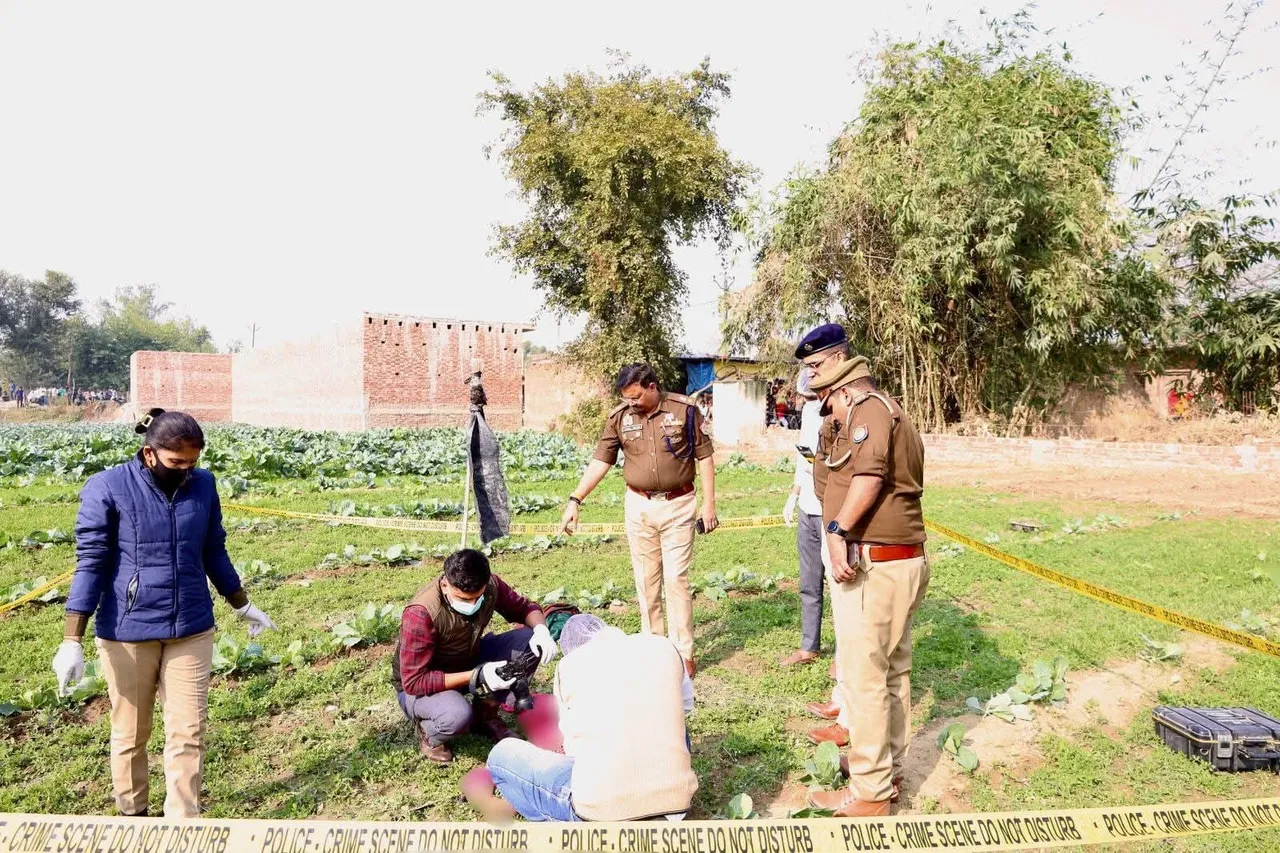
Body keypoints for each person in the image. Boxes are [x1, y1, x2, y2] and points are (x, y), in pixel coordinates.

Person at [51, 408, 277, 818]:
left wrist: (242, 603)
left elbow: (213, 549)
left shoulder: (204, 485)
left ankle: (181, 824)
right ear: (149, 453)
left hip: (191, 627)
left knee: (188, 732)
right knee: (131, 734)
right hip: (127, 631)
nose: (186, 470)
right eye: (177, 462)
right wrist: (72, 639)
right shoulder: (107, 486)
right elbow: (91, 562)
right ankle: (132, 815)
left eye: (193, 462)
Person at [803, 354, 929, 817]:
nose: (830, 416)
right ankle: (884, 768)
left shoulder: (869, 409)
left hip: (876, 566)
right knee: (892, 673)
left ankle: (871, 792)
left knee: (864, 679)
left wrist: (837, 531)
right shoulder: (893, 410)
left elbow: (870, 477)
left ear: (845, 391)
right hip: (899, 562)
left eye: (828, 403)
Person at [560, 363, 717, 677]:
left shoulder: (684, 410)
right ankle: (654, 648)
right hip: (639, 506)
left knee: (676, 580)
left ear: (652, 387)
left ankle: (683, 653)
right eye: (627, 399)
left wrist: (709, 505)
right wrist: (575, 499)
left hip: (679, 505)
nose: (631, 404)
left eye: (636, 397)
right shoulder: (620, 418)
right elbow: (600, 461)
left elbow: (705, 456)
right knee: (646, 581)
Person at [478, 614, 697, 822]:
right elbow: (685, 706)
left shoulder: (569, 666)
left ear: (571, 650)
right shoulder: (663, 646)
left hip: (600, 811)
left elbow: (573, 748)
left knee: (500, 755)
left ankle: (555, 817)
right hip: (676, 806)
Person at [392, 548, 558, 764]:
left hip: (467, 657)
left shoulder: (491, 586)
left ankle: (486, 716)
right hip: (423, 682)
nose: (471, 605)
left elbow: (525, 608)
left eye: (476, 598)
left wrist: (542, 630)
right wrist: (477, 675)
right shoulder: (421, 613)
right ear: (445, 584)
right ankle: (429, 732)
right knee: (456, 716)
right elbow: (414, 681)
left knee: (528, 642)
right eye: (462, 599)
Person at [779, 365, 827, 669]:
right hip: (807, 508)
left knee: (842, 586)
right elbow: (803, 456)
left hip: (833, 511)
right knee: (809, 583)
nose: (809, 399)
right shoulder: (810, 412)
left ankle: (846, 657)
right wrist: (794, 494)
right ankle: (809, 646)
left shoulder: (841, 412)